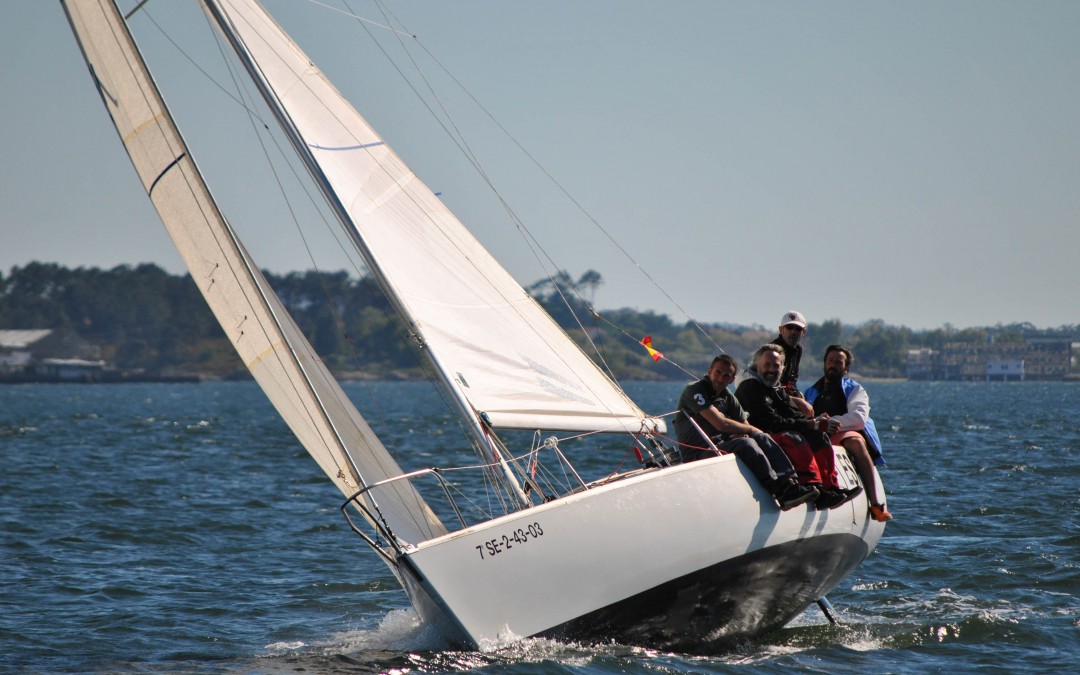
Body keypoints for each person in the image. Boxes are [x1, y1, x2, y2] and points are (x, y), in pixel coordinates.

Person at [674, 354, 819, 510]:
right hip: (697, 453)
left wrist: (752, 431)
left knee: (761, 436)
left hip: (719, 446)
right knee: (745, 443)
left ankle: (789, 483)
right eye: (717, 372)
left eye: (726, 376)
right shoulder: (695, 390)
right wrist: (749, 430)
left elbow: (746, 425)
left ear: (732, 380)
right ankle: (777, 489)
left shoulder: (728, 397)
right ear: (710, 371)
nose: (720, 378)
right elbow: (721, 424)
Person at [734, 343, 861, 510]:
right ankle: (814, 488)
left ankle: (830, 487)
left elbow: (793, 414)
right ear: (757, 366)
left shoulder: (775, 388)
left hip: (776, 431)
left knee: (818, 435)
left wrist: (816, 423)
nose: (772, 369)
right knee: (793, 437)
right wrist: (810, 424)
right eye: (767, 365)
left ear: (782, 368)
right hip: (761, 436)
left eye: (776, 365)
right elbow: (772, 423)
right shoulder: (750, 387)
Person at [804, 345, 893, 522]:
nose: (833, 365)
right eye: (830, 361)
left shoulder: (855, 390)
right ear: (824, 363)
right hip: (819, 434)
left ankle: (876, 505)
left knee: (856, 443)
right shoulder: (811, 392)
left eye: (839, 362)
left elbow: (858, 418)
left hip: (846, 432)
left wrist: (830, 423)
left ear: (846, 368)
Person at [771, 311, 808, 398]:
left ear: (803, 332)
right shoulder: (772, 351)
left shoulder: (798, 349)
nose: (793, 332)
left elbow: (793, 379)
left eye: (798, 328)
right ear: (781, 330)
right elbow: (771, 383)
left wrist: (797, 394)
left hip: (784, 394)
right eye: (789, 327)